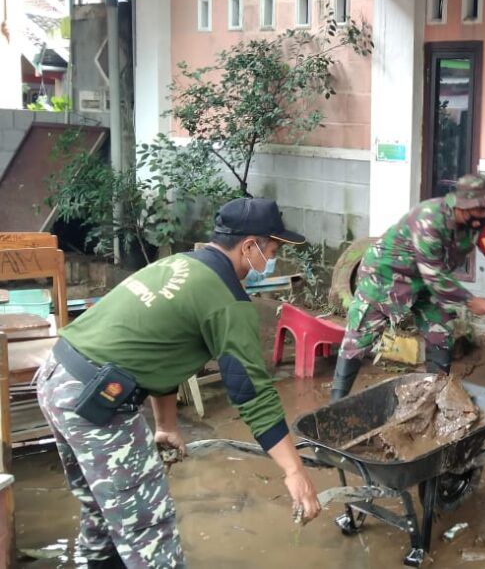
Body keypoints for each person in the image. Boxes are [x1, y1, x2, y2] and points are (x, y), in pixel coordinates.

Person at [35, 198, 323, 568]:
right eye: (271, 250)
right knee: (148, 528)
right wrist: (294, 470)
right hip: (96, 401)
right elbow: (251, 394)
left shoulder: (178, 264)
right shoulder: (227, 301)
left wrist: (166, 425)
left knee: (101, 512)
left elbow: (159, 353)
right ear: (249, 246)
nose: (271, 260)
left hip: (57, 375)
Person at [331, 173, 485, 401]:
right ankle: (335, 403)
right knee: (360, 338)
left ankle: (434, 396)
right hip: (387, 276)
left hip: (427, 281)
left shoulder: (479, 226)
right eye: (479, 209)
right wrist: (471, 301)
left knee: (441, 329)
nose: (484, 215)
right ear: (462, 206)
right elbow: (435, 277)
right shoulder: (429, 218)